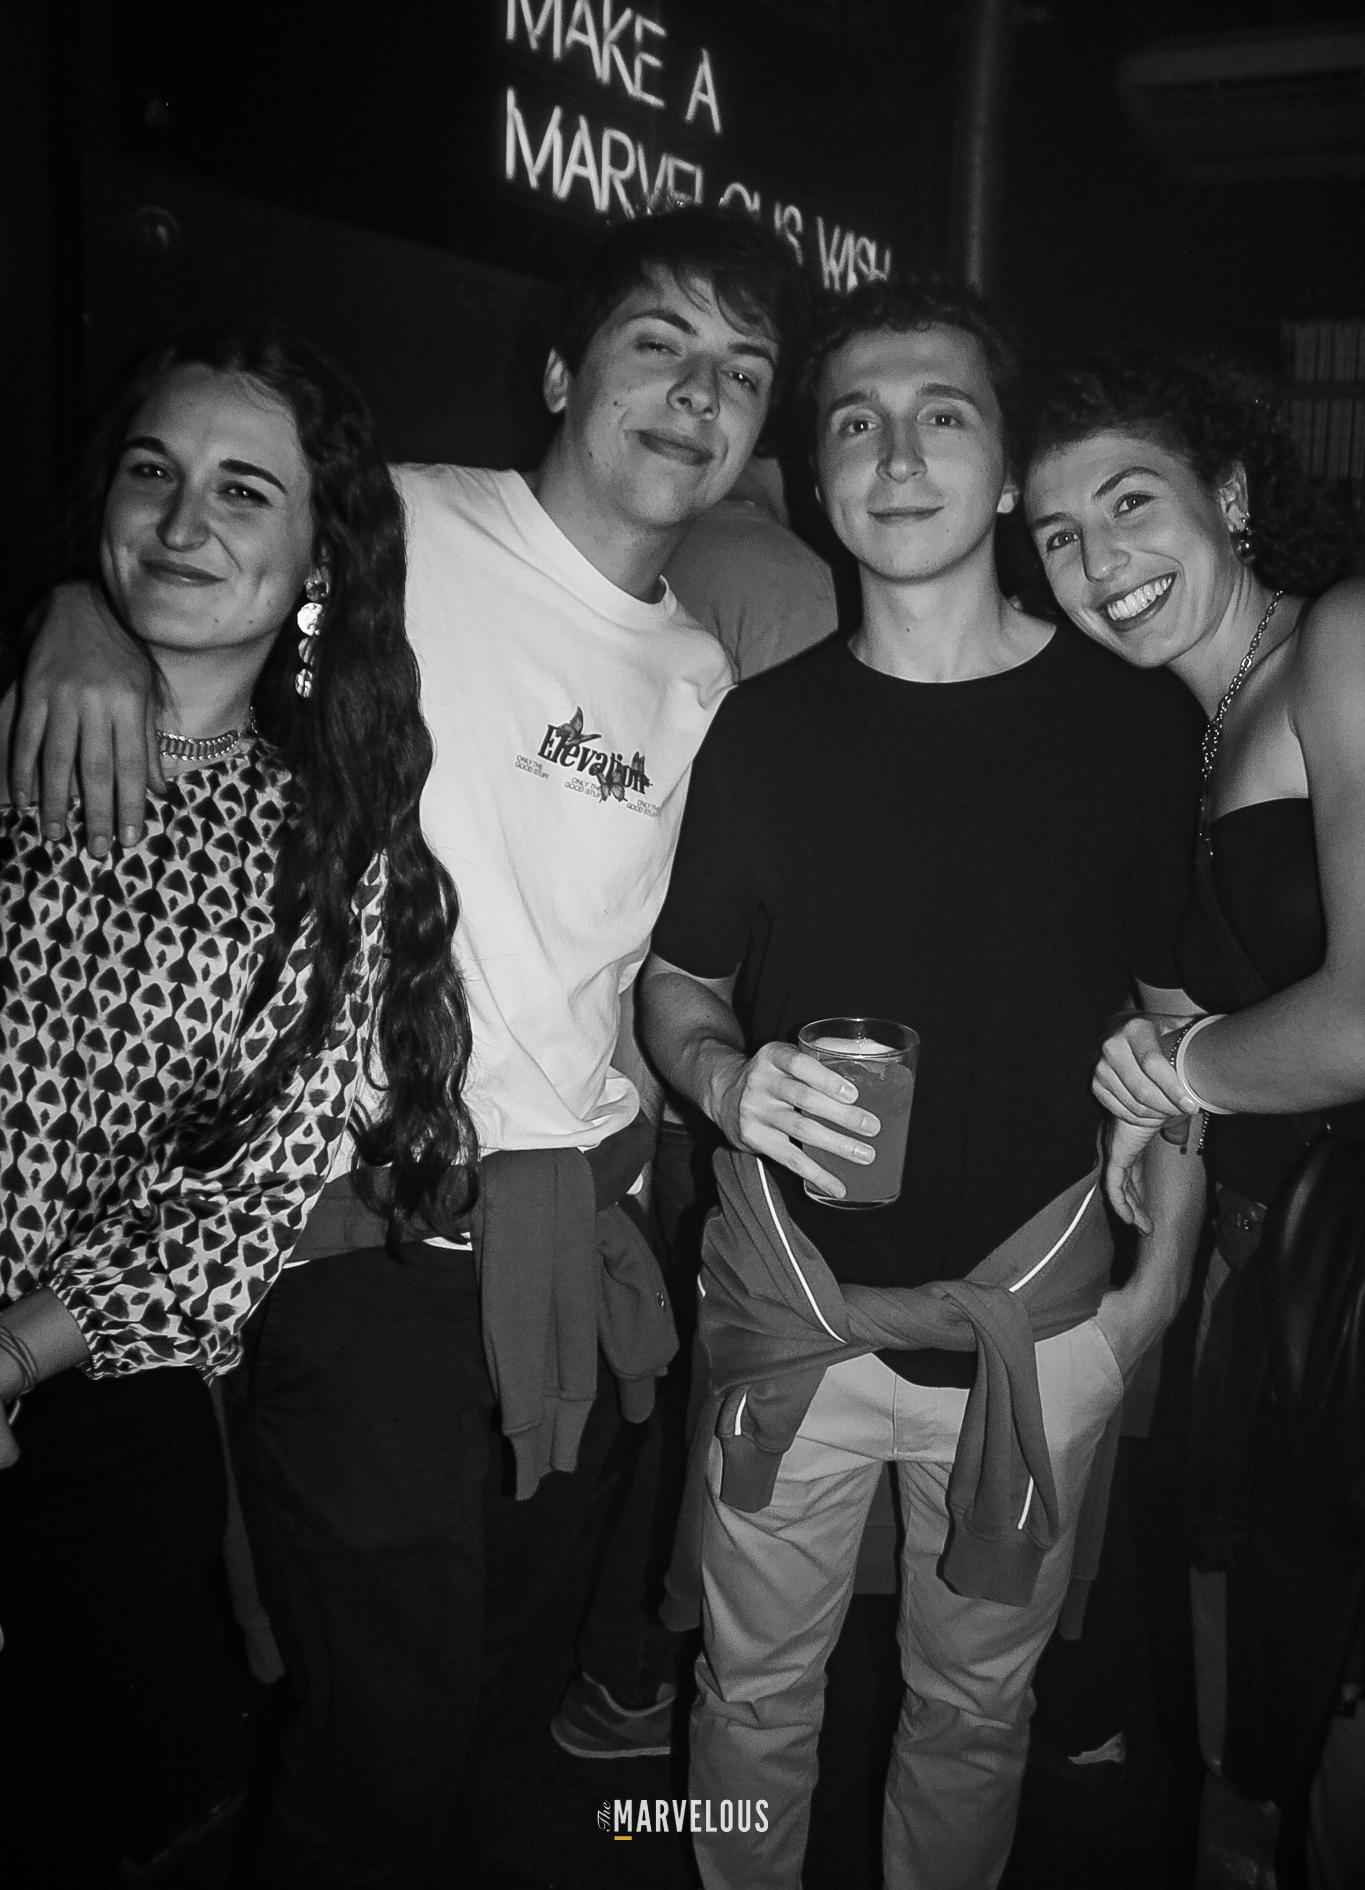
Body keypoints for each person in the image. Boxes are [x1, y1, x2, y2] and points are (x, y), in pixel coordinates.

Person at [9, 206, 808, 1887]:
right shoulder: (411, 526)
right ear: (560, 371)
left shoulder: (699, 674)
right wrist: (72, 609)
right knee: (378, 1742)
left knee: (495, 1694)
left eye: (741, 371)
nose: (696, 394)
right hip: (359, 1242)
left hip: (575, 1244)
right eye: (657, 344)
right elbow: (197, 544)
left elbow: (644, 966)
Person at [636, 271, 1210, 1890]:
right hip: (791, 1316)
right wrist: (724, 1079)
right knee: (748, 1694)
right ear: (816, 477)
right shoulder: (761, 731)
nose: (895, 457)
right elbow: (678, 981)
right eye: (855, 425)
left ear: (1007, 467)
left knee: (974, 1709)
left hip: (1034, 1328)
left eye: (940, 416)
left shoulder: (1127, 727)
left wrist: (1149, 1303)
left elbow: (1176, 1030)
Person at [0, 326, 475, 1881]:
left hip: (91, 1396)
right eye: (154, 471)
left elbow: (244, 1200)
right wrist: (58, 612)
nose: (182, 520)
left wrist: (12, 1352)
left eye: (242, 491)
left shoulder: (323, 849)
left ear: (316, 561)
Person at [1023, 348, 1364, 1890]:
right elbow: (1185, 1022)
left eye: (1129, 503)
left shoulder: (1343, 640)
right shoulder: (1193, 734)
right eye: (1057, 535)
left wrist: (1171, 1075)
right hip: (1269, 1267)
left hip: (1347, 1272)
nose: (1100, 561)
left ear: (1225, 496)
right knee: (1252, 1721)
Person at [552, 450, 840, 1759]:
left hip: (618, 1062)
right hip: (711, 1077)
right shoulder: (784, 581)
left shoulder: (640, 556)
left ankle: (623, 1672)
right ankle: (632, 1674)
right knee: (705, 1404)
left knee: (664, 1391)